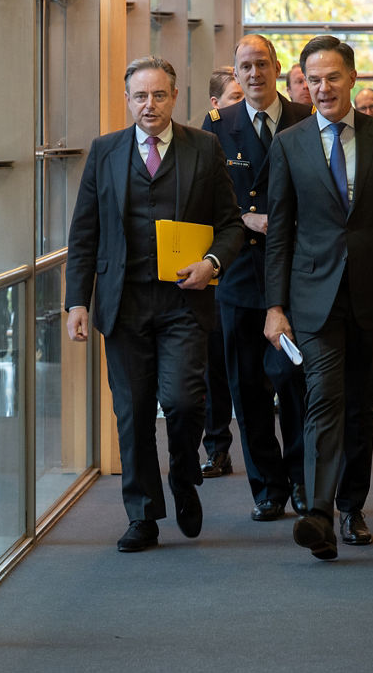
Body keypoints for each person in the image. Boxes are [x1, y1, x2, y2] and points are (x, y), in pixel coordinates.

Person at [263, 35, 373, 560]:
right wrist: (275, 307)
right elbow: (280, 232)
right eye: (313, 79)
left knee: (362, 404)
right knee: (324, 396)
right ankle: (318, 513)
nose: (323, 88)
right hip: (312, 295)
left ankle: (351, 506)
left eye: (332, 77)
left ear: (352, 78)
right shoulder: (289, 144)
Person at [65, 55, 244, 552]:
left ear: (174, 97)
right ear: (127, 101)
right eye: (140, 96)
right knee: (134, 412)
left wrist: (211, 262)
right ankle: (142, 514)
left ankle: (184, 475)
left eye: (159, 94)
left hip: (183, 303)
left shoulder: (203, 149)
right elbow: (85, 232)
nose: (150, 104)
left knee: (185, 402)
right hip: (122, 305)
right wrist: (76, 301)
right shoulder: (105, 152)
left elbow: (231, 225)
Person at [202, 35, 313, 522]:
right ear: (235, 71)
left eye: (262, 64)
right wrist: (243, 219)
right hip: (240, 276)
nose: (253, 74)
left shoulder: (306, 121)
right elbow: (201, 199)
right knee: (248, 391)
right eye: (244, 66)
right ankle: (267, 488)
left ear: (277, 67)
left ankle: (304, 484)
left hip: (294, 276)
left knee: (296, 386)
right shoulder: (213, 129)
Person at [199, 68, 247, 480]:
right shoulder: (207, 139)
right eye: (234, 96)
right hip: (216, 265)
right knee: (215, 362)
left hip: (252, 264)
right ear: (215, 104)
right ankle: (217, 447)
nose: (242, 101)